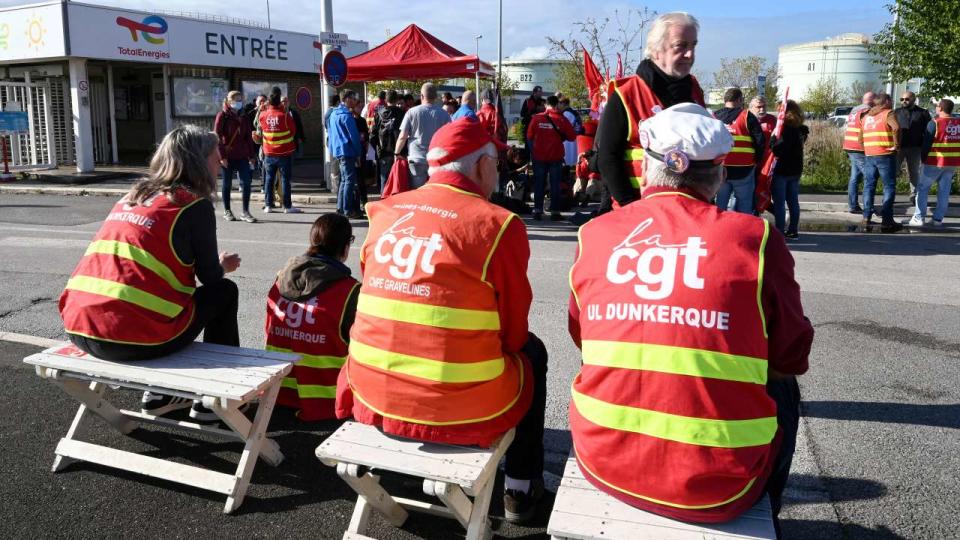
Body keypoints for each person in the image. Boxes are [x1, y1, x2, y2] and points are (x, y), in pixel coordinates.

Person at [568, 103, 812, 535]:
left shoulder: (594, 234)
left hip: (603, 459)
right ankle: (767, 510)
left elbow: (581, 335)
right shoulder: (755, 239)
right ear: (719, 173)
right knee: (784, 388)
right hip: (717, 486)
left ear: (645, 168)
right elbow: (791, 354)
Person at [335, 119, 549, 524]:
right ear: (482, 167)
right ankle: (520, 489)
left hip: (370, 392)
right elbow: (514, 332)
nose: (499, 170)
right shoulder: (497, 224)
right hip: (456, 411)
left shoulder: (383, 211)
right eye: (496, 161)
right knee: (533, 351)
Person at [59, 125, 243, 421]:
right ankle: (215, 401)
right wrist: (224, 266)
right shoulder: (192, 205)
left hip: (80, 328)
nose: (220, 160)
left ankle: (160, 393)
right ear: (199, 160)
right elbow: (210, 277)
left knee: (172, 301)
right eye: (215, 153)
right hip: (134, 339)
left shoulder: (133, 195)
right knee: (223, 291)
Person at [595, 12, 706, 212]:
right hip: (638, 210)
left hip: (688, 211)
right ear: (656, 50)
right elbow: (607, 158)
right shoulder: (626, 94)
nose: (690, 54)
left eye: (693, 46)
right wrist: (631, 206)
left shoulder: (694, 90)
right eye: (681, 46)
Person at [265, 213, 360, 421]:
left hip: (275, 395)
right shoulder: (350, 291)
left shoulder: (281, 279)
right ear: (345, 247)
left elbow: (269, 331)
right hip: (327, 403)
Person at [714, 87, 765, 214]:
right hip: (744, 169)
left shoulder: (714, 117)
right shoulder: (747, 116)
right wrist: (757, 160)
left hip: (721, 168)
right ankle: (743, 232)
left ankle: (720, 232)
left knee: (720, 206)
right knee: (745, 207)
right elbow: (760, 141)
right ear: (739, 100)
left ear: (725, 100)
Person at [527, 94, 577, 221]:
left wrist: (533, 152)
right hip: (556, 156)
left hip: (539, 156)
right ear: (556, 105)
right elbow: (572, 137)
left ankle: (538, 210)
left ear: (546, 105)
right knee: (555, 184)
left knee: (539, 183)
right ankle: (555, 211)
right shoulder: (561, 119)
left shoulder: (537, 118)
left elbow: (529, 137)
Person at [910, 98, 958, 227]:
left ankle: (918, 217)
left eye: (937, 106)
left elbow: (926, 144)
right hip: (952, 163)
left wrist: (923, 160)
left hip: (934, 161)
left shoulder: (935, 122)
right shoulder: (958, 123)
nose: (936, 108)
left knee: (922, 189)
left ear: (940, 108)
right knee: (944, 191)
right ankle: (938, 219)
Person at [395, 82, 451, 189]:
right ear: (435, 96)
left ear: (421, 96)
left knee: (417, 193)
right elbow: (449, 137)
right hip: (437, 158)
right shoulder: (444, 114)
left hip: (416, 158)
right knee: (435, 191)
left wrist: (396, 153)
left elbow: (403, 136)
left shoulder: (411, 112)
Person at [862, 93, 904, 233]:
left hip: (869, 154)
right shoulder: (888, 113)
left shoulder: (866, 116)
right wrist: (896, 145)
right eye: (890, 100)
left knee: (869, 186)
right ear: (885, 102)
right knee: (889, 186)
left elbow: (860, 136)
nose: (892, 102)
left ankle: (866, 217)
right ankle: (887, 221)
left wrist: (866, 148)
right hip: (885, 154)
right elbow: (896, 128)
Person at [213, 91, 257, 223]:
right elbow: (217, 137)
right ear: (228, 101)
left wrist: (251, 155)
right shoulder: (222, 116)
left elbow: (248, 137)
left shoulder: (244, 116)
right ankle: (227, 210)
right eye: (236, 100)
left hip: (242, 155)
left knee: (246, 183)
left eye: (240, 100)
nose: (238, 102)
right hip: (228, 155)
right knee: (227, 184)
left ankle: (245, 211)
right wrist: (222, 156)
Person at [256, 87, 300, 214]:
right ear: (279, 101)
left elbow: (260, 128)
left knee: (269, 179)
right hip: (284, 153)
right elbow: (293, 131)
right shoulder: (285, 116)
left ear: (268, 101)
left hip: (269, 153)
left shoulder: (263, 115)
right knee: (285, 180)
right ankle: (287, 206)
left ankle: (268, 205)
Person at [769, 100, 809, 238]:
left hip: (782, 169)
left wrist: (773, 138)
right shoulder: (801, 129)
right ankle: (793, 230)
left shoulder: (785, 130)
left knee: (780, 203)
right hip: (796, 169)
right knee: (793, 201)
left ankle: (779, 231)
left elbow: (778, 150)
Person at [328, 90, 364, 219]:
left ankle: (341, 207)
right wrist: (358, 154)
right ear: (347, 99)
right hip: (347, 151)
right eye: (354, 98)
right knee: (349, 180)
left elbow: (331, 135)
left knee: (344, 180)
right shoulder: (347, 115)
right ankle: (347, 209)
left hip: (338, 151)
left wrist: (333, 150)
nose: (355, 101)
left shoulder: (334, 114)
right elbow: (354, 137)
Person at [894, 91, 932, 204]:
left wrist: (926, 146)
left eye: (906, 99)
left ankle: (914, 194)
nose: (904, 101)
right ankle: (890, 194)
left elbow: (929, 130)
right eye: (902, 99)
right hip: (899, 147)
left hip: (915, 147)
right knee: (894, 171)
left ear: (913, 100)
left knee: (914, 171)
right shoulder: (896, 112)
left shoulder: (923, 113)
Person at [843, 92, 875, 214]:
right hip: (858, 147)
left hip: (850, 145)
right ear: (872, 100)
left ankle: (853, 205)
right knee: (869, 176)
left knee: (855, 177)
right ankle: (868, 207)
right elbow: (869, 128)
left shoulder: (854, 110)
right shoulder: (867, 111)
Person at [371, 90, 405, 191]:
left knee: (384, 178)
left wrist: (374, 152)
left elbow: (373, 134)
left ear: (385, 99)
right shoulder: (402, 113)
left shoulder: (378, 113)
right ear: (397, 99)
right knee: (398, 178)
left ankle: (384, 199)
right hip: (399, 151)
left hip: (383, 150)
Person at [559, 97, 583, 172]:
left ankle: (568, 171)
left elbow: (564, 127)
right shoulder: (573, 112)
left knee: (568, 156)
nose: (558, 106)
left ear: (563, 104)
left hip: (569, 138)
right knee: (572, 155)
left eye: (559, 104)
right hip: (574, 137)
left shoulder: (567, 113)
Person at [325, 93, 342, 194]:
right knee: (335, 166)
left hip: (331, 141)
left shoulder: (328, 112)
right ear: (338, 102)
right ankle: (336, 188)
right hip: (335, 141)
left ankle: (335, 187)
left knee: (334, 165)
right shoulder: (333, 112)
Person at [520, 85, 543, 150]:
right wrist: (531, 115)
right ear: (534, 92)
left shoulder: (542, 101)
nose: (541, 93)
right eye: (540, 91)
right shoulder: (528, 100)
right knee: (528, 144)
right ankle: (527, 158)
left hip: (539, 126)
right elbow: (522, 114)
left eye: (542, 91)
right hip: (529, 125)